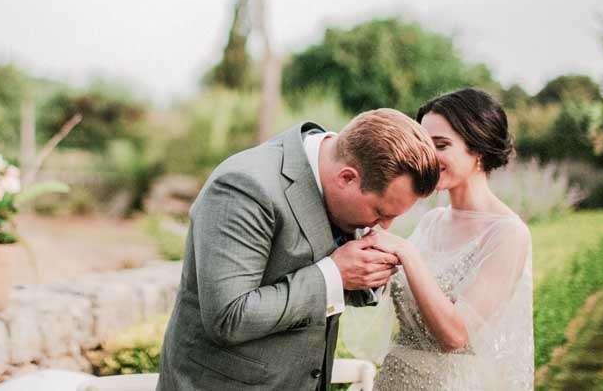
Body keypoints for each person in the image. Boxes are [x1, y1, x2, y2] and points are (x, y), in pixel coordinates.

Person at [157, 109, 441, 390]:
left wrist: (366, 272)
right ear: (346, 178)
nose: (385, 227)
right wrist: (334, 275)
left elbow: (324, 277)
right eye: (380, 212)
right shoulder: (245, 186)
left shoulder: (345, 174)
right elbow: (228, 317)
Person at [368, 88, 534, 390]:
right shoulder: (433, 221)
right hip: (393, 379)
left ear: (479, 149)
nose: (428, 157)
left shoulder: (508, 234)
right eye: (423, 145)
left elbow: (455, 336)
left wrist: (405, 251)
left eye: (441, 145)